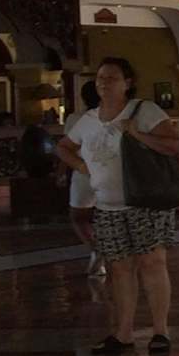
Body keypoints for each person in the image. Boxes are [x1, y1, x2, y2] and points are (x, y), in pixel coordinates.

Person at [57, 57, 179, 356]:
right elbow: (64, 147)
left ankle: (160, 331)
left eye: (112, 77)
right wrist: (84, 168)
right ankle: (124, 333)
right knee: (119, 268)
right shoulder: (88, 120)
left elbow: (174, 145)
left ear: (128, 82)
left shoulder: (144, 111)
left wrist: (137, 134)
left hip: (145, 201)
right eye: (101, 77)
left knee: (152, 263)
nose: (104, 83)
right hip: (107, 205)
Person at [66, 80, 104, 277]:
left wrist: (62, 172)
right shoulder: (115, 116)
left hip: (83, 171)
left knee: (78, 216)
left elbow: (67, 148)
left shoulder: (76, 118)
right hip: (110, 171)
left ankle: (95, 247)